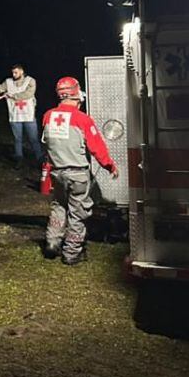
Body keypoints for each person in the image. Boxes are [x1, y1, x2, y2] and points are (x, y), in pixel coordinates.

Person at [40, 76, 118, 265]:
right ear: (75, 95)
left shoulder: (48, 116)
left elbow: (46, 144)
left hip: (57, 172)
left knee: (59, 206)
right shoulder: (83, 119)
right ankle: (71, 253)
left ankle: (52, 243)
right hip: (77, 174)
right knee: (78, 212)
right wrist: (109, 165)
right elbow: (96, 147)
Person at [0, 64, 44, 169]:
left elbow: (28, 94)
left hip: (28, 115)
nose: (14, 75)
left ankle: (39, 159)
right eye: (13, 72)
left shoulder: (30, 81)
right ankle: (19, 158)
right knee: (17, 139)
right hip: (15, 116)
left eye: (16, 72)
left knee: (33, 139)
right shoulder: (8, 82)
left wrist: (13, 96)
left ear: (22, 71)